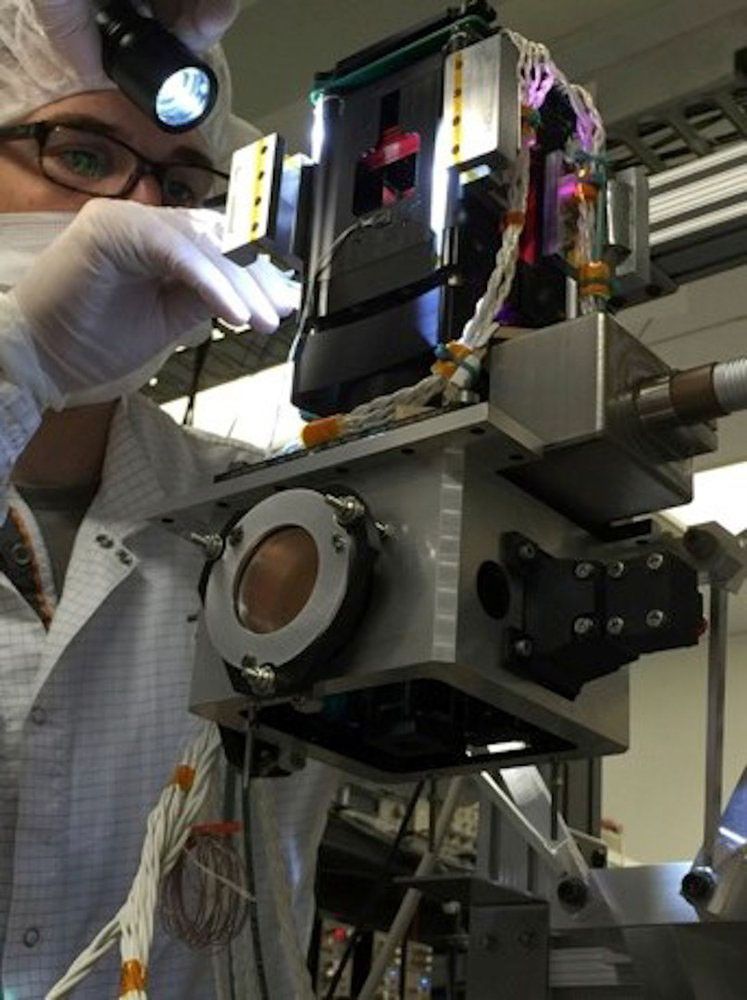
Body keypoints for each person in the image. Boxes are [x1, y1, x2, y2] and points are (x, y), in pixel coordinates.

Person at [0, 0, 337, 996]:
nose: (139, 213)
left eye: (181, 181)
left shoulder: (271, 516)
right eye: (85, 157)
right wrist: (16, 365)